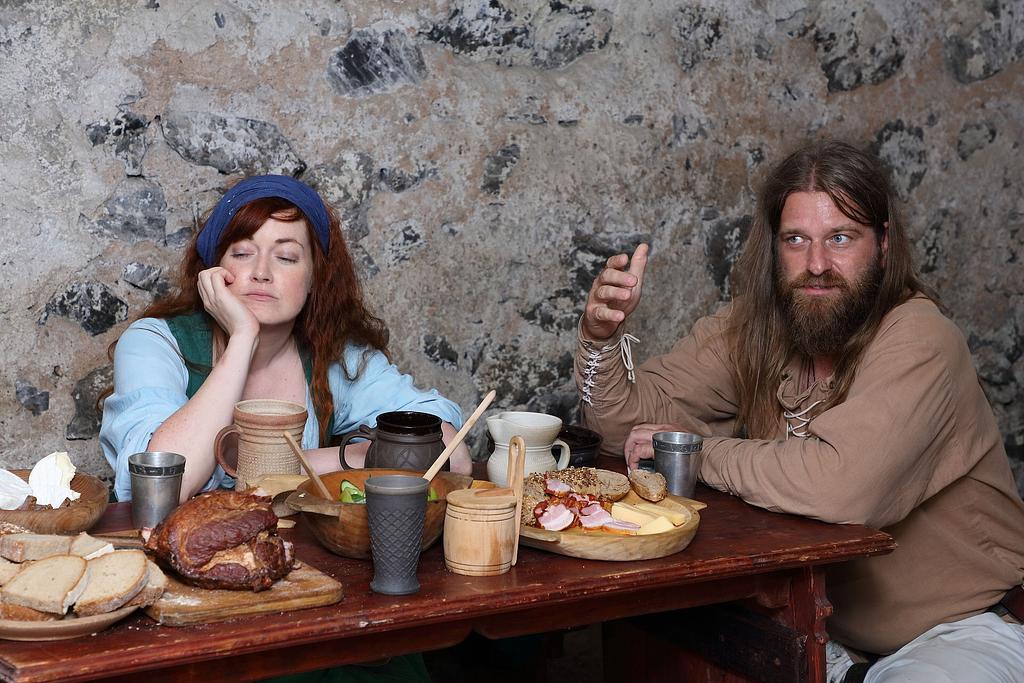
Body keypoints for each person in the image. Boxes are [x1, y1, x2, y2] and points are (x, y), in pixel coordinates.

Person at [575, 140, 1024, 681]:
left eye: (840, 238)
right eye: (796, 240)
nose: (816, 265)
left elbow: (841, 488)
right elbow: (622, 433)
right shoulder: (756, 327)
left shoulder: (921, 337)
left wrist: (699, 453)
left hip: (959, 633)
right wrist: (600, 340)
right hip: (819, 633)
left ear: (883, 244)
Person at [101, 175, 470, 503]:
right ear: (213, 269)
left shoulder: (333, 356)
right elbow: (162, 485)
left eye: (287, 257)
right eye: (242, 253)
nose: (261, 272)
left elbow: (451, 454)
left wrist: (303, 463)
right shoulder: (153, 343)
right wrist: (243, 338)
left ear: (314, 280)